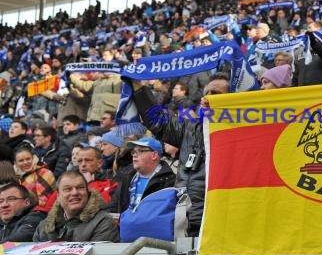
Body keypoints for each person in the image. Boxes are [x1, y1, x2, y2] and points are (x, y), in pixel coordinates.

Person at [130, 73, 230, 236]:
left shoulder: (242, 134)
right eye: (206, 93)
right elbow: (158, 121)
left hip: (220, 221)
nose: (208, 98)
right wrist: (139, 89)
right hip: (185, 220)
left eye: (216, 94)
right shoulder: (190, 129)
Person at [33, 170, 119, 242]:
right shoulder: (44, 226)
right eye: (67, 189)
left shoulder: (103, 222)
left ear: (87, 193)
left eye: (80, 188)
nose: (75, 193)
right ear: (58, 196)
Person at [110, 137, 175, 214]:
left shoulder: (169, 180)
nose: (134, 155)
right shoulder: (127, 176)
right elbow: (115, 205)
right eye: (133, 152)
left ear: (154, 155)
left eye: (140, 151)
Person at [13, 146, 57, 213]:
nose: (25, 162)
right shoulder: (16, 178)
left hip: (38, 214)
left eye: (28, 159)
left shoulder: (43, 172)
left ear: (33, 159)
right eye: (21, 161)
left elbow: (43, 202)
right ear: (15, 163)